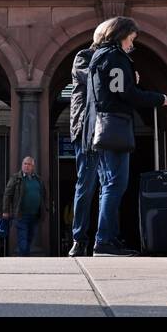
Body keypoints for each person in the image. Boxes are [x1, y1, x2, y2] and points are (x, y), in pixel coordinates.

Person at [88, 16, 167, 257]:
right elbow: (125, 94)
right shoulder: (115, 56)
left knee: (108, 186)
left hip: (101, 127)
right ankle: (104, 241)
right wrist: (158, 98)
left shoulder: (99, 57)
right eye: (131, 40)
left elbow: (114, 88)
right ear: (120, 35)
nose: (131, 45)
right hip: (114, 127)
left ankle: (109, 240)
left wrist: (128, 80)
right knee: (116, 184)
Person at [67, 43, 96, 256]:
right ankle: (79, 239)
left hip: (107, 130)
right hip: (85, 129)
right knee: (85, 184)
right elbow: (93, 79)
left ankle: (105, 238)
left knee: (110, 185)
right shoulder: (83, 57)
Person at [2, 156, 46, 256]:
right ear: (22, 165)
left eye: (29, 164)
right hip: (21, 215)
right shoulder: (16, 178)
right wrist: (5, 211)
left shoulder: (38, 179)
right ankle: (25, 260)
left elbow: (43, 194)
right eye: (24, 164)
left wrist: (44, 207)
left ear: (33, 166)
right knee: (23, 239)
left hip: (35, 215)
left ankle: (24, 257)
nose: (26, 166)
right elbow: (7, 194)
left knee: (30, 238)